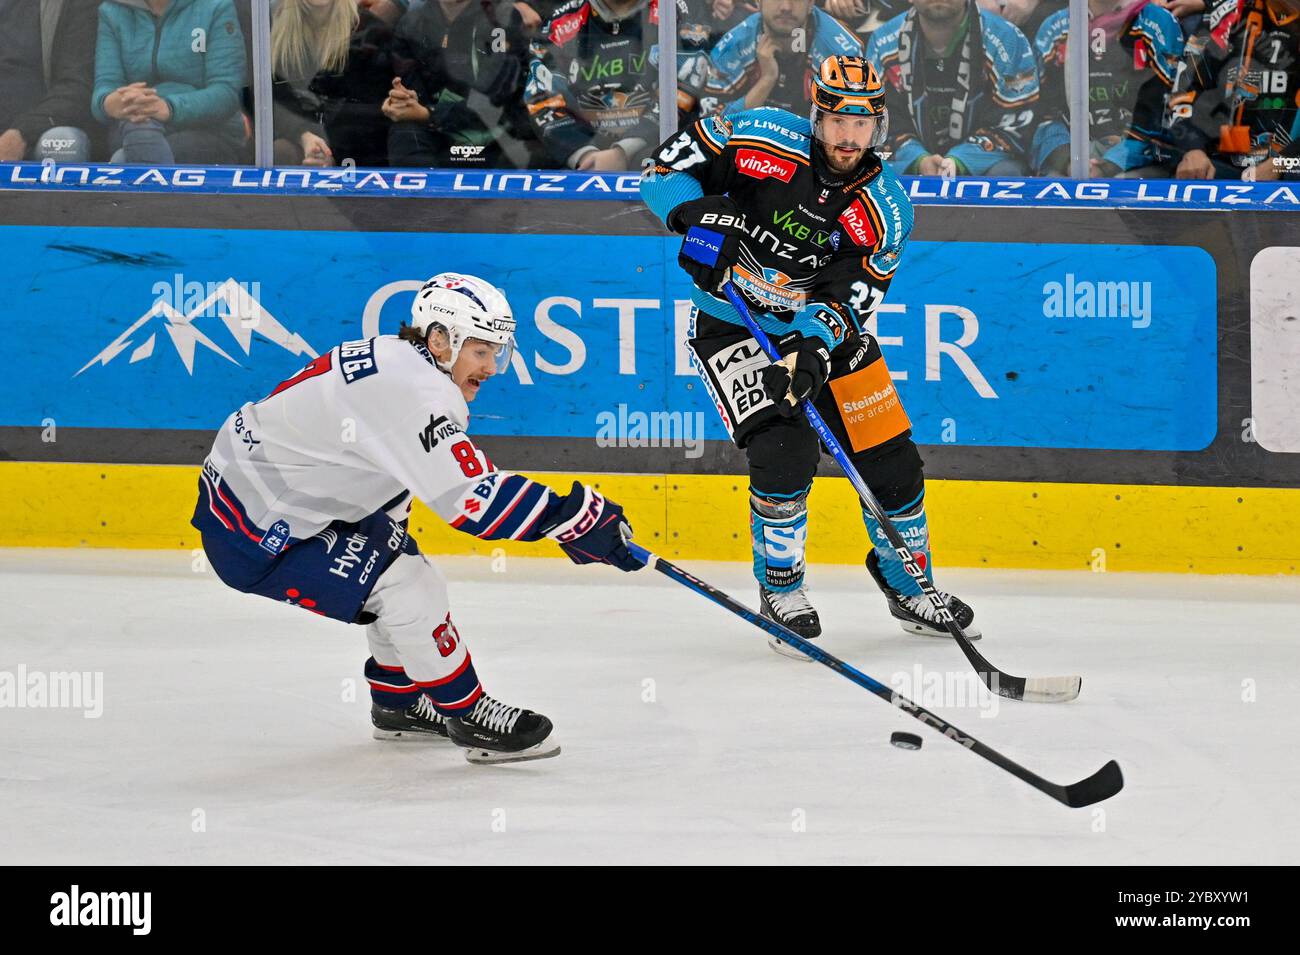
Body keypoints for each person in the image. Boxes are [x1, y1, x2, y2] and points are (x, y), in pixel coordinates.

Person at [191, 273, 642, 762]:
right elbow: (471, 499)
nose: (492, 367)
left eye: (497, 352)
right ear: (440, 339)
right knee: (407, 585)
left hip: (257, 498)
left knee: (398, 568)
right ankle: (469, 715)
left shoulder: (394, 357)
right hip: (255, 534)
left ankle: (399, 704)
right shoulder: (414, 392)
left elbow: (382, 463)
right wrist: (573, 518)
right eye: (481, 351)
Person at [640, 56, 979, 656]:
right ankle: (782, 590)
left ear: (879, 124)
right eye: (836, 121)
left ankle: (909, 584)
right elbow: (663, 170)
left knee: (892, 462)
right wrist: (690, 216)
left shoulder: (886, 208)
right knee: (785, 450)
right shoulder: (756, 135)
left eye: (862, 123)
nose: (848, 137)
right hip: (732, 324)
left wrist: (811, 345)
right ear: (815, 115)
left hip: (824, 337)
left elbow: (852, 296)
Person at [525, 0, 709, 170]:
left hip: (662, 154)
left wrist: (624, 150)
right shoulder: (559, 23)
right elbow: (542, 99)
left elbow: (686, 85)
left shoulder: (678, 10)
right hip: (581, 158)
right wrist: (585, 153)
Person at [866, 0, 1040, 175]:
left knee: (1005, 173)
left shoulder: (1007, 39)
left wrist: (960, 161)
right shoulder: (883, 43)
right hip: (908, 161)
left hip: (984, 164)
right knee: (871, 172)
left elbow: (1016, 124)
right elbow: (875, 123)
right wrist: (919, 160)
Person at [1030, 0, 1184, 177]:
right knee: (1054, 188)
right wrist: (1069, 162)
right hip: (1070, 159)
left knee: (1121, 189)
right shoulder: (1054, 28)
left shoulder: (1158, 23)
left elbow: (1165, 113)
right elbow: (1041, 115)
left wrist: (1109, 165)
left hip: (1138, 161)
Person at [91, 0, 247, 165]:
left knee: (125, 157)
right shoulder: (112, 10)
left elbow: (227, 93)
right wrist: (113, 102)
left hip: (206, 129)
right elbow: (104, 86)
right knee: (137, 131)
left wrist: (167, 107)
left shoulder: (216, 6)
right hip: (133, 124)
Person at [384, 0, 534, 168]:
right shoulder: (410, 23)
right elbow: (412, 90)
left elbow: (498, 99)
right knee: (404, 132)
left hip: (497, 131)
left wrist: (430, 114)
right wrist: (404, 101)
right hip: (439, 129)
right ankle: (418, 193)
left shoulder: (501, 18)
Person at [1168, 0, 1300, 181]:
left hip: (1291, 166)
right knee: (1188, 175)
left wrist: (1280, 163)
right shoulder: (1227, 14)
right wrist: (1193, 149)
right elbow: (1185, 91)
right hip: (1222, 163)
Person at [704, 0, 864, 115]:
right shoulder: (733, 44)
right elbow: (713, 127)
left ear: (810, 4)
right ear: (758, 2)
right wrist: (767, 79)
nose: (786, 7)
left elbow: (850, 128)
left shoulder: (842, 52)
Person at [0, 0, 100, 164]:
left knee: (62, 142)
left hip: (38, 131)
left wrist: (21, 134)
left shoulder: (76, 5)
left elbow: (76, 87)